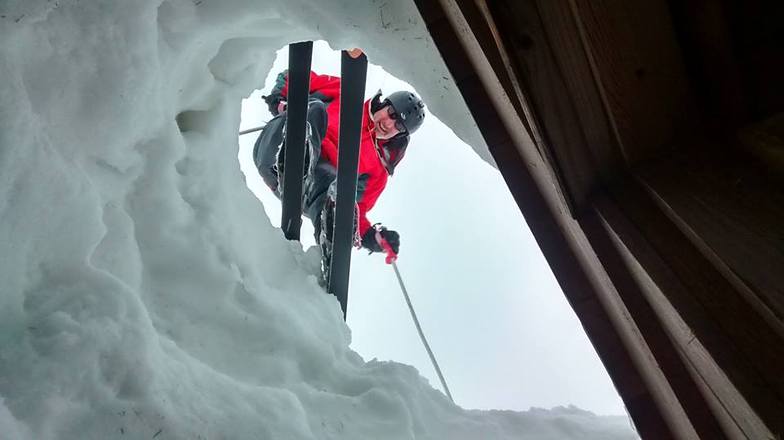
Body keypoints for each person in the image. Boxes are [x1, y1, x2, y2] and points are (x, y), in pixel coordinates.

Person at [252, 69, 425, 257]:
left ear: (400, 135)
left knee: (337, 186)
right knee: (315, 109)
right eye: (391, 113)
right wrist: (279, 97)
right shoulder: (346, 95)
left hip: (312, 190)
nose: (389, 124)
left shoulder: (379, 170)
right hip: (279, 146)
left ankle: (331, 236)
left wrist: (371, 237)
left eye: (399, 126)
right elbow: (292, 74)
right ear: (383, 104)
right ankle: (297, 156)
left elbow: (356, 208)